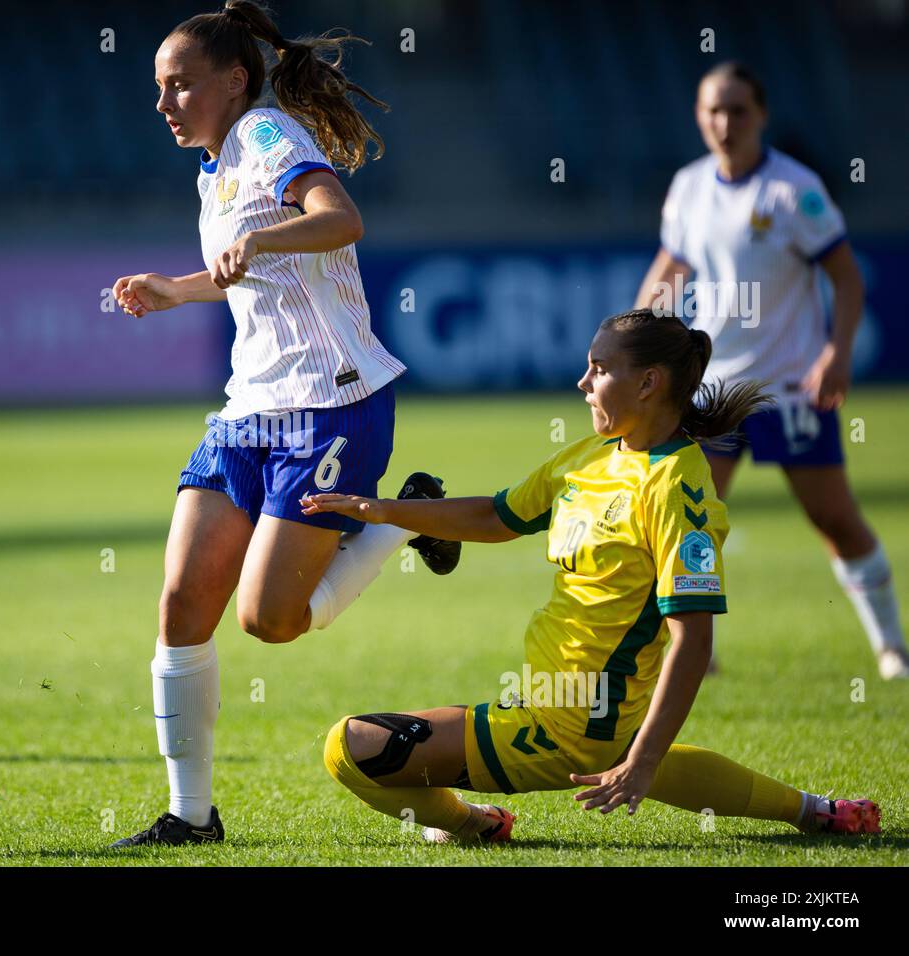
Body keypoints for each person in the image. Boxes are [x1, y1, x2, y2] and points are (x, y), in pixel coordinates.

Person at [304, 310, 881, 844]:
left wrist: (644, 761)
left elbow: (694, 639)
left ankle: (473, 825)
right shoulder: (592, 455)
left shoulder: (678, 491)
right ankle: (814, 810)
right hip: (549, 705)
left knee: (349, 749)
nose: (583, 383)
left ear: (649, 383)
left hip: (572, 725)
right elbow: (496, 515)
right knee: (633, 752)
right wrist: (383, 512)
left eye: (600, 369)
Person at [108, 1, 458, 847]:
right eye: (159, 88)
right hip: (250, 408)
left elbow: (341, 220)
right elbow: (244, 270)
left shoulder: (266, 136)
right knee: (184, 604)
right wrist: (176, 287)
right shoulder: (216, 164)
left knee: (269, 620)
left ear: (234, 81)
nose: (165, 104)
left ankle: (402, 521)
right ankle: (191, 818)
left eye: (181, 85)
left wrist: (260, 246)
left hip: (332, 402)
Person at [634, 61, 908, 680]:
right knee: (691, 522)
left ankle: (892, 648)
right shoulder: (688, 187)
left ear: (760, 115)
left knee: (834, 518)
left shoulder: (794, 191)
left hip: (789, 391)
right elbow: (670, 271)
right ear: (698, 117)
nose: (724, 122)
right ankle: (691, 657)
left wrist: (836, 352)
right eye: (712, 110)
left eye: (736, 110)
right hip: (713, 389)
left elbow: (845, 275)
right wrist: (635, 335)